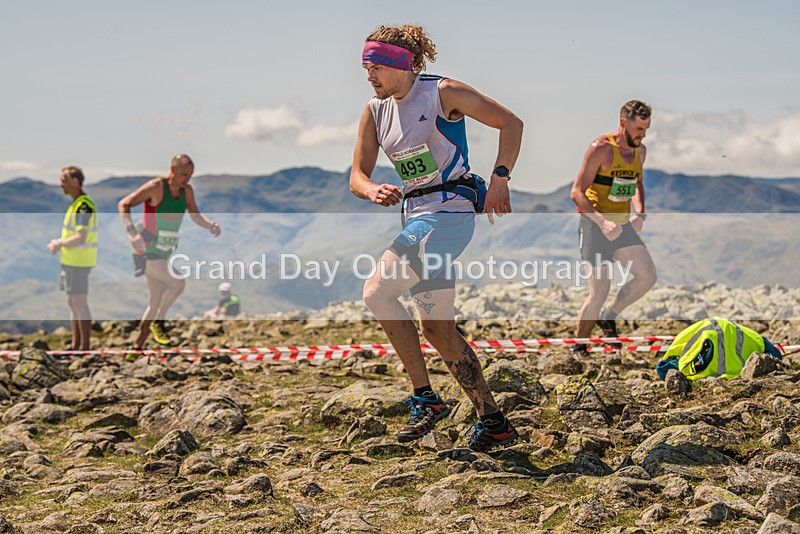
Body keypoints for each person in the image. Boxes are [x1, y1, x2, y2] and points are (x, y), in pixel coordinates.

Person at [350, 25, 523, 452]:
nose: (369, 76)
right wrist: (372, 190)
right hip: (416, 216)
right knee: (436, 328)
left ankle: (425, 398)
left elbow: (511, 123)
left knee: (377, 292)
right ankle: (494, 421)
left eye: (376, 67)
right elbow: (357, 175)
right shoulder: (374, 111)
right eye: (365, 68)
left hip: (449, 213)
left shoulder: (442, 92)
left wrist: (500, 178)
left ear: (402, 64)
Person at [570, 100, 657, 355]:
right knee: (600, 290)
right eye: (638, 129)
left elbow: (637, 184)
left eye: (646, 130)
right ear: (623, 123)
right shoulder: (601, 149)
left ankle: (609, 316)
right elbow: (576, 193)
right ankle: (579, 348)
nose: (642, 135)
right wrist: (602, 221)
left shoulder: (640, 152)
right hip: (595, 225)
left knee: (647, 277)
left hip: (621, 224)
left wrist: (640, 214)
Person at [118, 154, 221, 350]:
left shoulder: (186, 191)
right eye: (184, 174)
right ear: (173, 170)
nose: (187, 179)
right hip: (146, 250)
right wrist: (132, 232)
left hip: (164, 252)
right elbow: (124, 204)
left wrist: (210, 225)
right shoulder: (156, 187)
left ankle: (137, 347)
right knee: (178, 282)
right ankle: (159, 322)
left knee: (154, 301)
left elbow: (195, 215)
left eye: (190, 175)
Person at [47, 166, 97, 351]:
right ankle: (76, 345)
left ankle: (84, 347)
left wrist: (58, 243)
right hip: (72, 261)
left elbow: (81, 237)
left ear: (75, 181)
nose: (61, 184)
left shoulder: (83, 206)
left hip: (79, 261)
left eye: (64, 180)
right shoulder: (77, 204)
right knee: (73, 302)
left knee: (79, 302)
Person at [656, 317, 783, 380]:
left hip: (718, 326)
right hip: (722, 326)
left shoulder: (687, 367)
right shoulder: (757, 342)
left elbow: (663, 366)